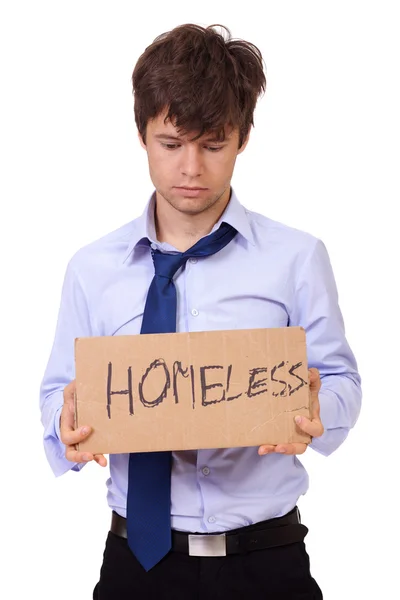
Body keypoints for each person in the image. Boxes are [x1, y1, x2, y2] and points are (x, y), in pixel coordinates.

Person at [40, 23, 361, 600]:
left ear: (242, 139)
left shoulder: (297, 257)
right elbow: (58, 390)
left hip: (267, 561)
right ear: (142, 135)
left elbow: (340, 381)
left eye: (213, 144)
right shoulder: (92, 268)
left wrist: (319, 410)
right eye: (171, 143)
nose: (191, 168)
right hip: (137, 564)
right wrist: (63, 424)